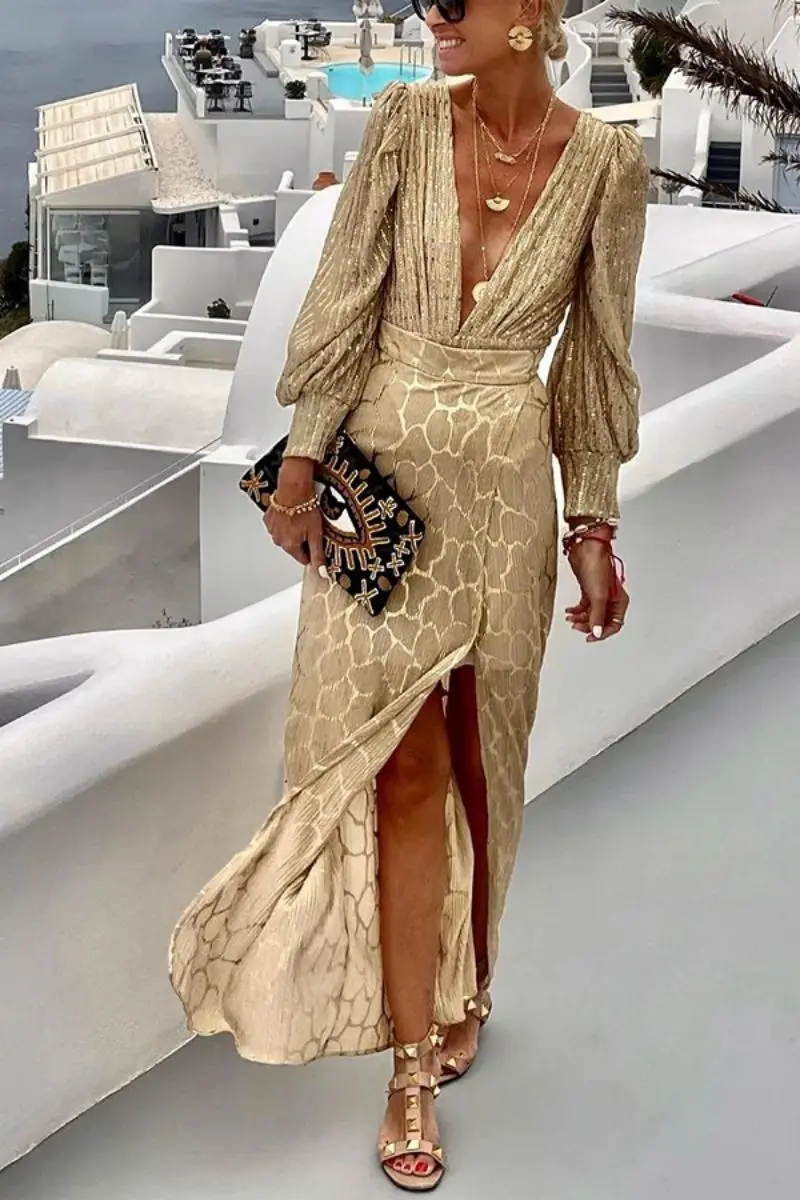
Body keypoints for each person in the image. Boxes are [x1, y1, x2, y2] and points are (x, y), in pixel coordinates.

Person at [170, 0, 649, 1190]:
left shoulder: (604, 163)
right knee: (400, 769)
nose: (431, 13)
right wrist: (298, 468)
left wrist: (591, 524)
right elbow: (343, 299)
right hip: (383, 484)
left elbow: (596, 355)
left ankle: (467, 983)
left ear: (528, 10)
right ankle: (408, 1067)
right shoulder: (397, 124)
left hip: (505, 503)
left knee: (485, 763)